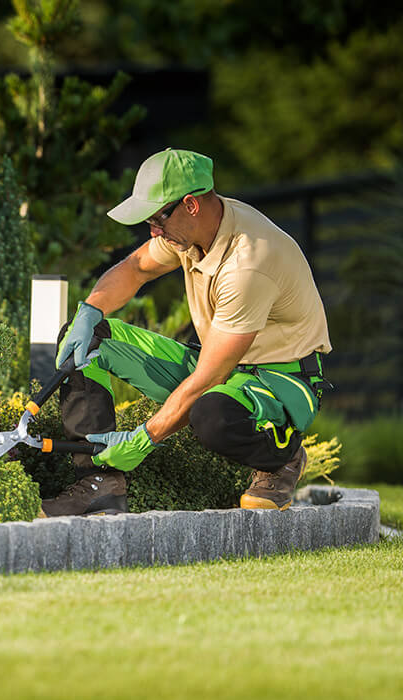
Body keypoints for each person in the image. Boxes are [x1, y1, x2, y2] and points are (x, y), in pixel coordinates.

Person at [41, 147, 332, 517]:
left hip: (280, 380)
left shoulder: (249, 264)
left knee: (212, 414)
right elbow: (136, 269)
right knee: (84, 341)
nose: (153, 231)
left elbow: (209, 378)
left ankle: (284, 457)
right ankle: (100, 484)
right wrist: (89, 309)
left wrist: (143, 438)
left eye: (157, 219)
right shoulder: (192, 233)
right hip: (219, 363)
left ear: (191, 205)